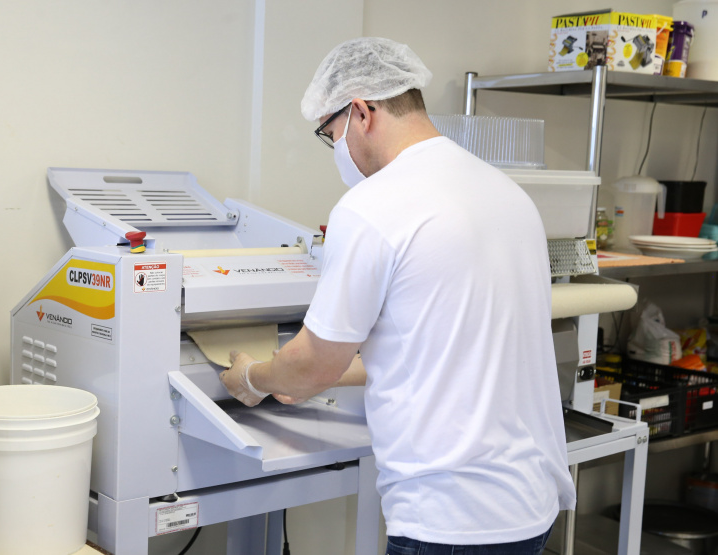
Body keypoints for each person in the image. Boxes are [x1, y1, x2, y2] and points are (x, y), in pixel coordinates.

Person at [219, 37, 575, 554]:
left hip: (450, 517)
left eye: (330, 133)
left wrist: (253, 377)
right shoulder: (504, 192)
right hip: (528, 504)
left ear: (361, 111)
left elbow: (314, 364)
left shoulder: (373, 206)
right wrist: (319, 371)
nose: (335, 149)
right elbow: (443, 343)